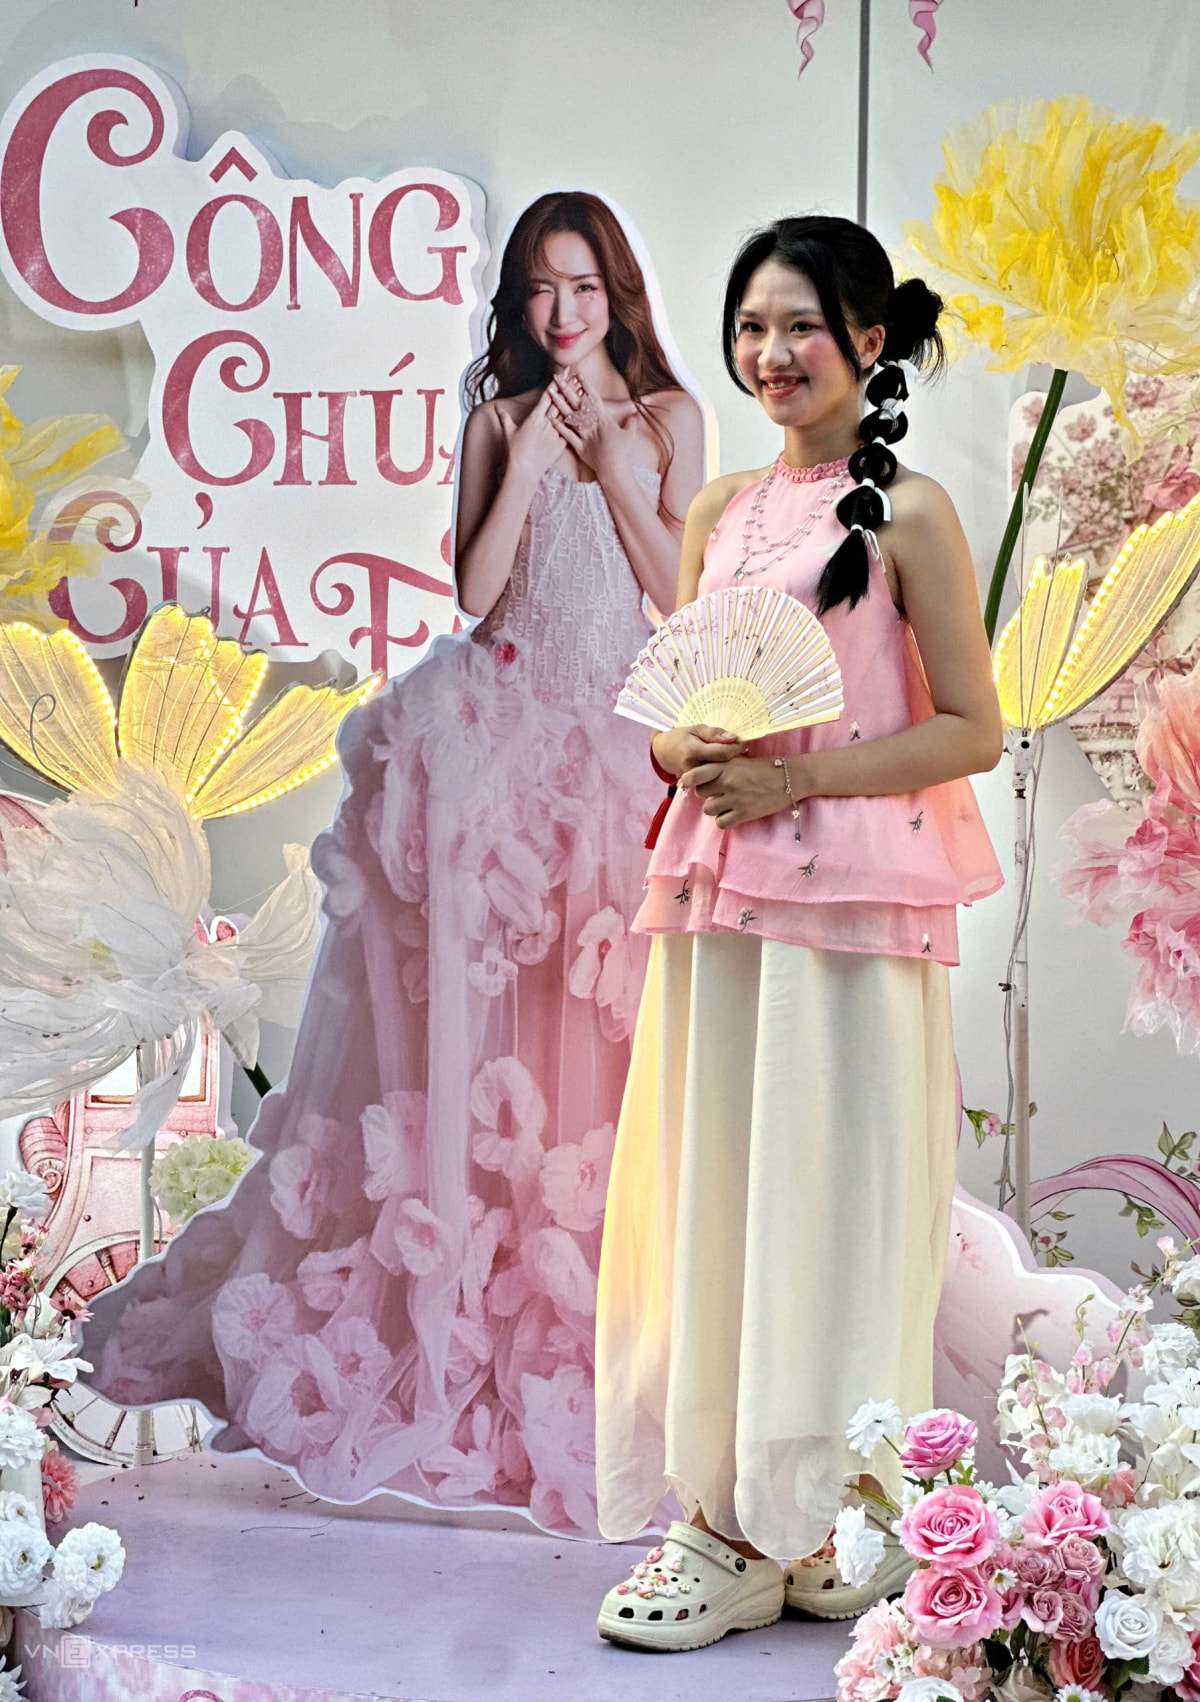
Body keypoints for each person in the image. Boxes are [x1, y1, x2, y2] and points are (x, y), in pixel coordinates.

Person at [84, 191, 704, 1536]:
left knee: (599, 1043)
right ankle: (466, 1321)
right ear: (518, 302)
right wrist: (532, 455)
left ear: (618, 294)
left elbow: (679, 594)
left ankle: (617, 1324)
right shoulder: (496, 422)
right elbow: (477, 595)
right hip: (494, 750)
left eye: (584, 287)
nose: (562, 313)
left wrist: (609, 463)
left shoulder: (669, 419)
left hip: (614, 754)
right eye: (540, 289)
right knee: (483, 1049)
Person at [592, 214, 1005, 1652]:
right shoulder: (717, 511)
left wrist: (799, 781)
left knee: (834, 1193)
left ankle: (831, 1506)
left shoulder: (914, 516)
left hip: (854, 916)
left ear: (870, 342)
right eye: (751, 328)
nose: (771, 354)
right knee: (719, 1184)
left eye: (802, 327)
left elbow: (972, 727)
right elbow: (673, 701)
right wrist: (689, 752)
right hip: (718, 898)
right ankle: (723, 1513)